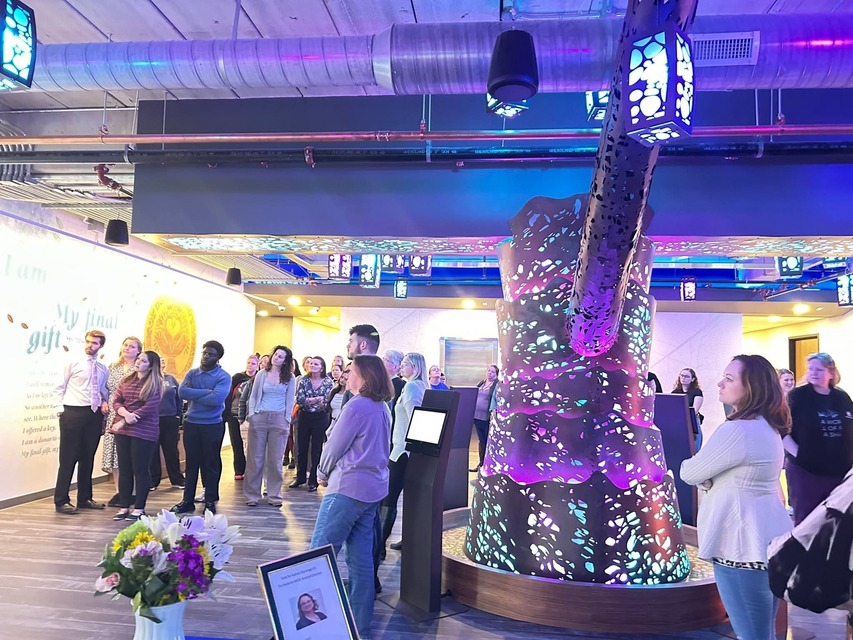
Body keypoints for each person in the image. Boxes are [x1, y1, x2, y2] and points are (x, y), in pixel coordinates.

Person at [680, 354, 793, 640]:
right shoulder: (768, 426)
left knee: (751, 634)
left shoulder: (737, 430)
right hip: (765, 541)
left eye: (729, 379)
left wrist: (708, 478)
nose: (720, 383)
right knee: (763, 632)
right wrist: (711, 476)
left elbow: (689, 471)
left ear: (751, 387)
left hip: (739, 546)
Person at [310, 354, 393, 639]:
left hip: (346, 489)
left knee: (317, 556)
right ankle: (360, 628)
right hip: (371, 492)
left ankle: (309, 624)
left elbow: (335, 446)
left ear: (365, 376)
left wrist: (321, 472)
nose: (347, 376)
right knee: (361, 563)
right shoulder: (382, 407)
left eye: (351, 371)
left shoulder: (357, 406)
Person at [784, 352, 853, 525]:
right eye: (810, 369)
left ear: (831, 373)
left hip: (838, 471)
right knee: (808, 522)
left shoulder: (842, 398)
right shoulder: (797, 396)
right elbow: (781, 428)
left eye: (819, 370)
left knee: (835, 521)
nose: (813, 373)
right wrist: (798, 454)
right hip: (806, 472)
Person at [53, 330, 110, 514]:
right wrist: (60, 410)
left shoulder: (102, 367)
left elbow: (102, 390)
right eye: (88, 341)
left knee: (88, 457)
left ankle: (85, 498)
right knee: (68, 458)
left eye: (94, 343)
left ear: (100, 346)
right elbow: (59, 386)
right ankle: (61, 500)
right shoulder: (73, 361)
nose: (90, 345)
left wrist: (104, 403)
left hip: (93, 414)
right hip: (73, 412)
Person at [171, 340, 231, 515]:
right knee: (191, 464)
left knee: (210, 463)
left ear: (218, 358)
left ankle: (210, 500)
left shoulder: (223, 376)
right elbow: (182, 392)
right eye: (204, 353)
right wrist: (207, 392)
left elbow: (216, 399)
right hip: (192, 423)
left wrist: (196, 394)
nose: (206, 356)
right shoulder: (192, 373)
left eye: (211, 354)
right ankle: (187, 501)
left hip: (212, 424)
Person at [110, 350, 164, 521]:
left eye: (143, 361)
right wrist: (125, 415)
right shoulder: (126, 380)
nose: (138, 362)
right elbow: (116, 401)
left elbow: (149, 407)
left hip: (144, 430)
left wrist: (126, 419)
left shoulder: (156, 383)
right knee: (125, 468)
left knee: (140, 469)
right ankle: (124, 506)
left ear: (151, 366)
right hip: (123, 429)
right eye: (138, 359)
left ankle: (139, 508)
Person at [383, 352, 427, 552]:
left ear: (415, 367)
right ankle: (405, 538)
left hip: (402, 451)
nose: (401, 367)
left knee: (389, 498)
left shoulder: (411, 387)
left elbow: (414, 419)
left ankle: (379, 544)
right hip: (405, 450)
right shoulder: (420, 386)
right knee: (406, 498)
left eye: (405, 364)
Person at [244, 345, 296, 507]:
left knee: (275, 459)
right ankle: (252, 495)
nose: (276, 358)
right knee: (255, 459)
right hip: (260, 416)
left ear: (285, 361)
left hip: (279, 418)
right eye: (275, 354)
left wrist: (287, 419)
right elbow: (253, 396)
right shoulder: (262, 374)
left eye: (280, 356)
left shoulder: (290, 377)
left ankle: (274, 495)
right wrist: (252, 414)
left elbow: (290, 400)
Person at [103, 336, 142, 507]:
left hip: (131, 413)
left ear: (139, 351)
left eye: (132, 346)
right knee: (114, 455)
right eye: (125, 345)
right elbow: (104, 389)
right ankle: (119, 491)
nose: (127, 348)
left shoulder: (139, 368)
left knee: (129, 455)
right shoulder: (113, 367)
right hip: (113, 413)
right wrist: (103, 401)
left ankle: (132, 492)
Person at [291, 357, 333, 491]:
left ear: (322, 367)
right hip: (304, 416)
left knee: (316, 449)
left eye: (316, 364)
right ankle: (300, 477)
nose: (312, 365)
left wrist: (310, 400)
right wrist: (316, 400)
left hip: (321, 417)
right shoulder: (303, 380)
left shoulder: (328, 382)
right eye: (311, 363)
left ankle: (313, 480)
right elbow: (300, 400)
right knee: (301, 448)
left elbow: (326, 401)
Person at [150, 356, 185, 490]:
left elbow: (179, 397)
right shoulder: (149, 378)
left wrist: (178, 414)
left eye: (163, 360)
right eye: (159, 360)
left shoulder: (171, 379)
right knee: (153, 451)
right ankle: (153, 481)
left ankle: (177, 480)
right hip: (153, 419)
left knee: (171, 450)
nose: (162, 362)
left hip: (170, 419)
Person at [225, 354, 259, 480]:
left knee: (251, 445)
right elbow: (229, 395)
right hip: (234, 414)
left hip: (251, 417)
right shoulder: (237, 377)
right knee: (236, 443)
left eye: (253, 363)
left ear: (257, 365)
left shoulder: (259, 378)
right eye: (248, 363)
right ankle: (239, 470)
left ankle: (251, 470)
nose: (250, 365)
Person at [471, 365, 499, 472]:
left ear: (496, 374)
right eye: (488, 371)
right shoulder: (481, 383)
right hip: (477, 416)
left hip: (487, 417)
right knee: (481, 440)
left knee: (487, 441)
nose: (489, 373)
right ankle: (481, 463)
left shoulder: (497, 384)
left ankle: (488, 465)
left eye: (492, 372)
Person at [673, 367, 705, 449]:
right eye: (682, 375)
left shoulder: (697, 392)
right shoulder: (675, 392)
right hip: (678, 421)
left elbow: (694, 410)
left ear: (692, 379)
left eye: (687, 376)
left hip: (692, 419)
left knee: (694, 446)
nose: (683, 378)